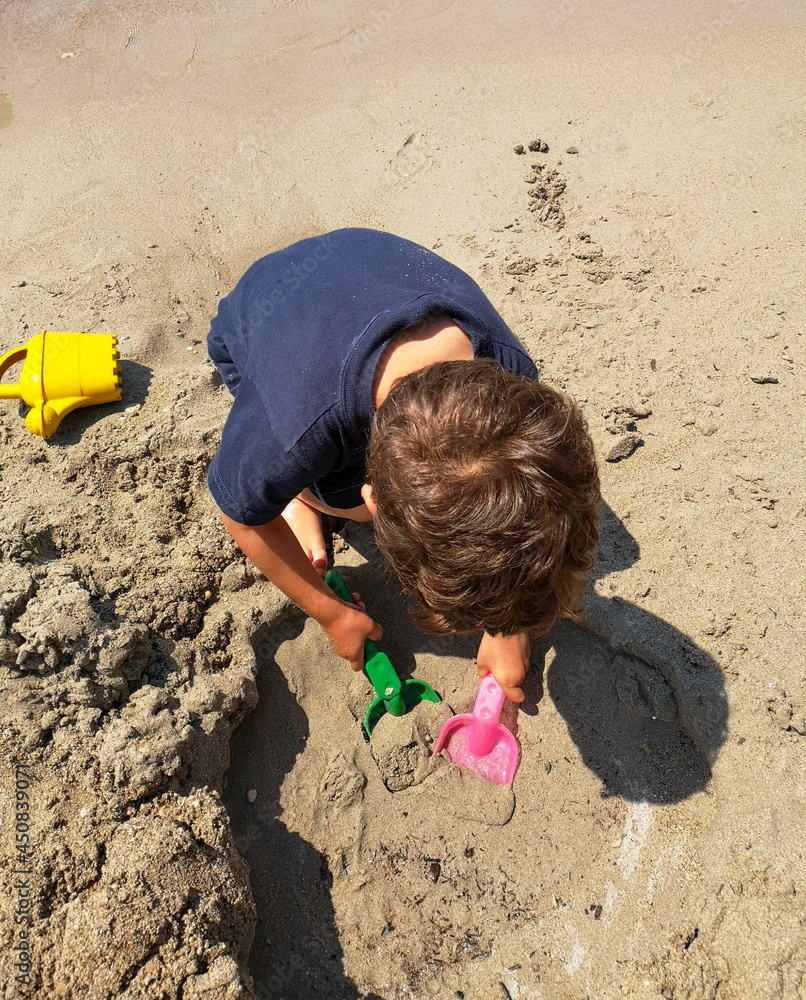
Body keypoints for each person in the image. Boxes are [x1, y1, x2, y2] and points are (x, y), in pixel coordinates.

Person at [207, 229, 600, 702]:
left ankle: (299, 493)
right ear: (375, 494)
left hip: (362, 272)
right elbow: (237, 512)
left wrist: (506, 623)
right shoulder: (297, 423)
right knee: (339, 503)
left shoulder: (513, 377)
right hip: (259, 321)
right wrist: (331, 613)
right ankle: (299, 497)